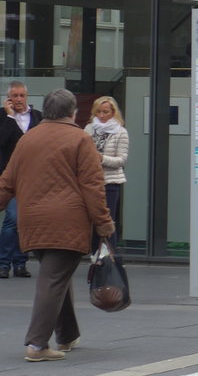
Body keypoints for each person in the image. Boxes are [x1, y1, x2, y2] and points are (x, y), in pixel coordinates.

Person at [0, 88, 114, 361]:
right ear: (72, 112)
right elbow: (93, 186)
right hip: (68, 221)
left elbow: (7, 181)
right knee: (53, 278)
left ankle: (67, 335)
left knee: (56, 276)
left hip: (31, 221)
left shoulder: (28, 139)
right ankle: (37, 345)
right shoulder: (79, 139)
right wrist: (104, 222)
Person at [0, 81, 42, 278]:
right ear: (9, 98)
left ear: (27, 96)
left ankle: (20, 263)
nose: (18, 99)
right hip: (9, 176)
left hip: (32, 177)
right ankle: (4, 263)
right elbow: (2, 141)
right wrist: (9, 117)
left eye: (21, 96)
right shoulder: (2, 116)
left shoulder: (37, 117)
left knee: (24, 221)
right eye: (14, 96)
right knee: (12, 218)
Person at [83, 96, 129, 248]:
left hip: (110, 182)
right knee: (92, 222)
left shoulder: (120, 132)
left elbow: (121, 160)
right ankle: (95, 258)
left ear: (113, 112)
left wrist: (101, 158)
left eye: (105, 112)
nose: (101, 116)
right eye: (98, 112)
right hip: (90, 182)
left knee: (107, 222)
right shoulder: (89, 129)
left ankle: (109, 258)